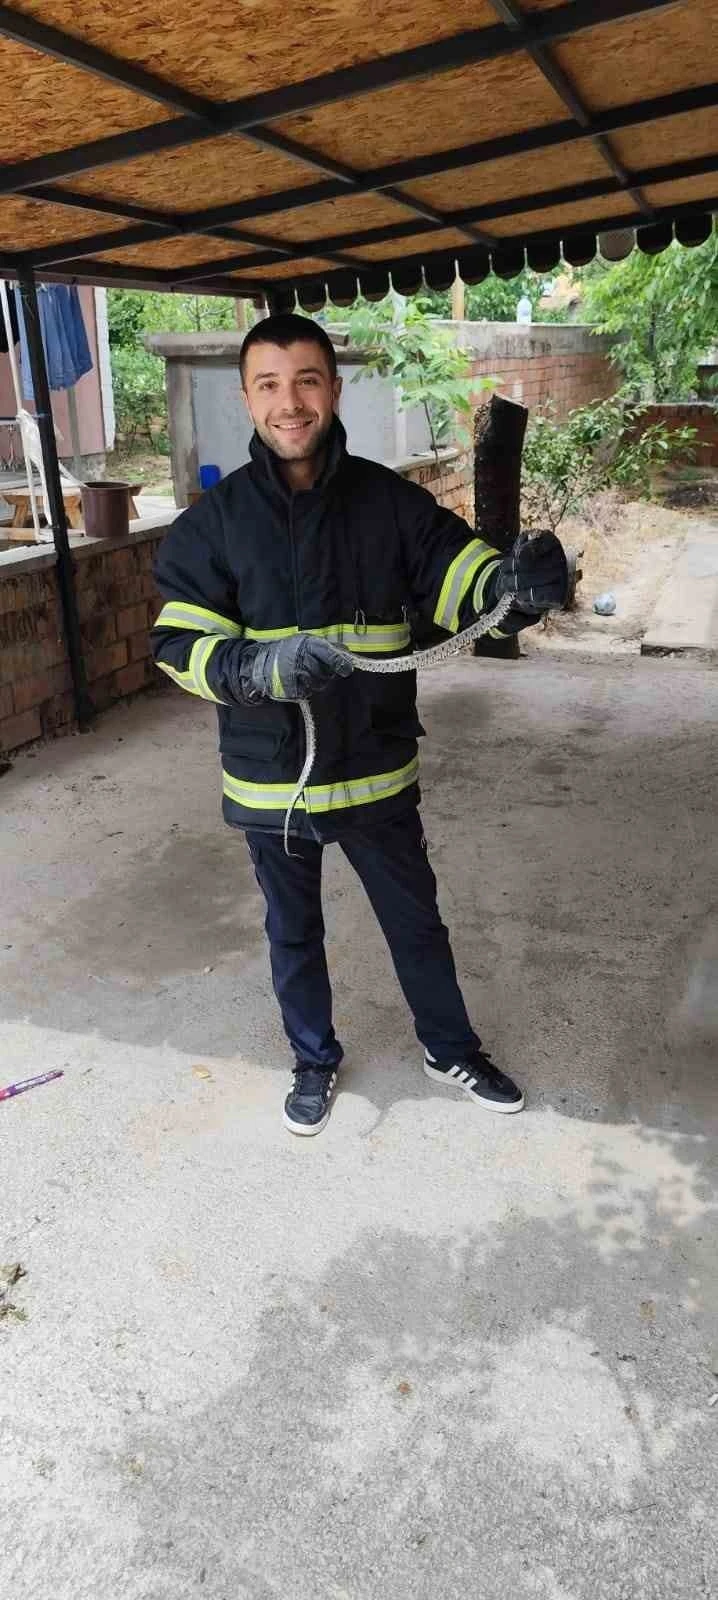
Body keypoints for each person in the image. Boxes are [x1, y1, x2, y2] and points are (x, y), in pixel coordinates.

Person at [151, 314, 567, 1136]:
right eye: (269, 385)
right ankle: (313, 1060)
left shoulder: (391, 504)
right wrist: (258, 670)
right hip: (272, 778)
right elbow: (178, 645)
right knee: (293, 932)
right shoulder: (213, 524)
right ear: (247, 400)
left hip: (375, 767)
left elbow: (465, 580)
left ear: (334, 390)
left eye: (306, 380)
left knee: (416, 924)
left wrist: (516, 590)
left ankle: (449, 1048)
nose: (290, 402)